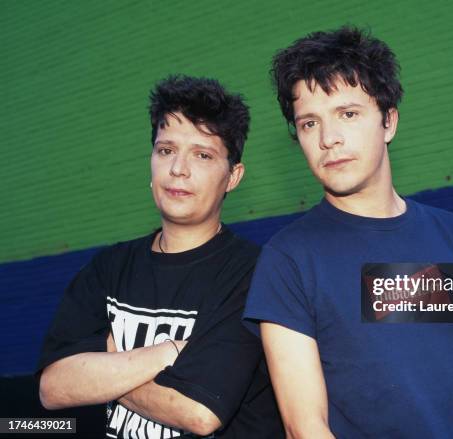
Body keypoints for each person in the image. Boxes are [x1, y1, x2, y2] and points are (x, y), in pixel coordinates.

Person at [243, 27, 453, 438]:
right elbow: (305, 426)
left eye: (348, 114)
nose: (329, 139)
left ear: (388, 121)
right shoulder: (288, 259)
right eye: (309, 123)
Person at [38, 75, 283, 438]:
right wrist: (167, 352)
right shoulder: (109, 268)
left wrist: (109, 363)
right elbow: (53, 388)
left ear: (233, 176)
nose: (178, 169)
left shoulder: (256, 273)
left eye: (202, 155)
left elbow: (200, 411)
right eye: (166, 150)